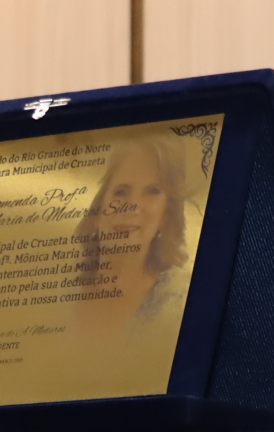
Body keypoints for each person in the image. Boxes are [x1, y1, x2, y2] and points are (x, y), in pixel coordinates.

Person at [72, 133, 198, 336]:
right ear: (97, 210)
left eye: (152, 191)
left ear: (166, 214)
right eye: (121, 191)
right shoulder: (60, 297)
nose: (132, 206)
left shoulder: (184, 299)